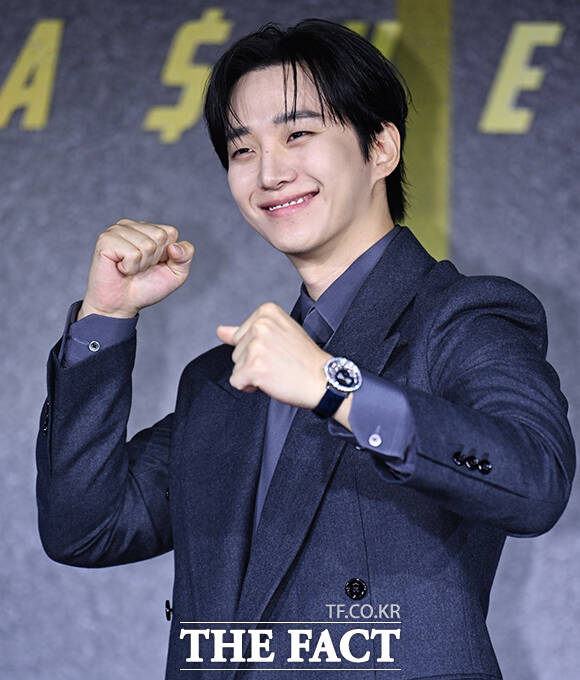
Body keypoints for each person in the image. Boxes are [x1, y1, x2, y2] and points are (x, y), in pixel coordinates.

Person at [36, 18, 575, 680]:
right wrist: (105, 318)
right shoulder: (225, 378)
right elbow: (84, 529)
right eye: (242, 149)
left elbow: (534, 481)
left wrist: (336, 387)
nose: (270, 172)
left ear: (382, 148)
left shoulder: (459, 316)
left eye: (298, 135)